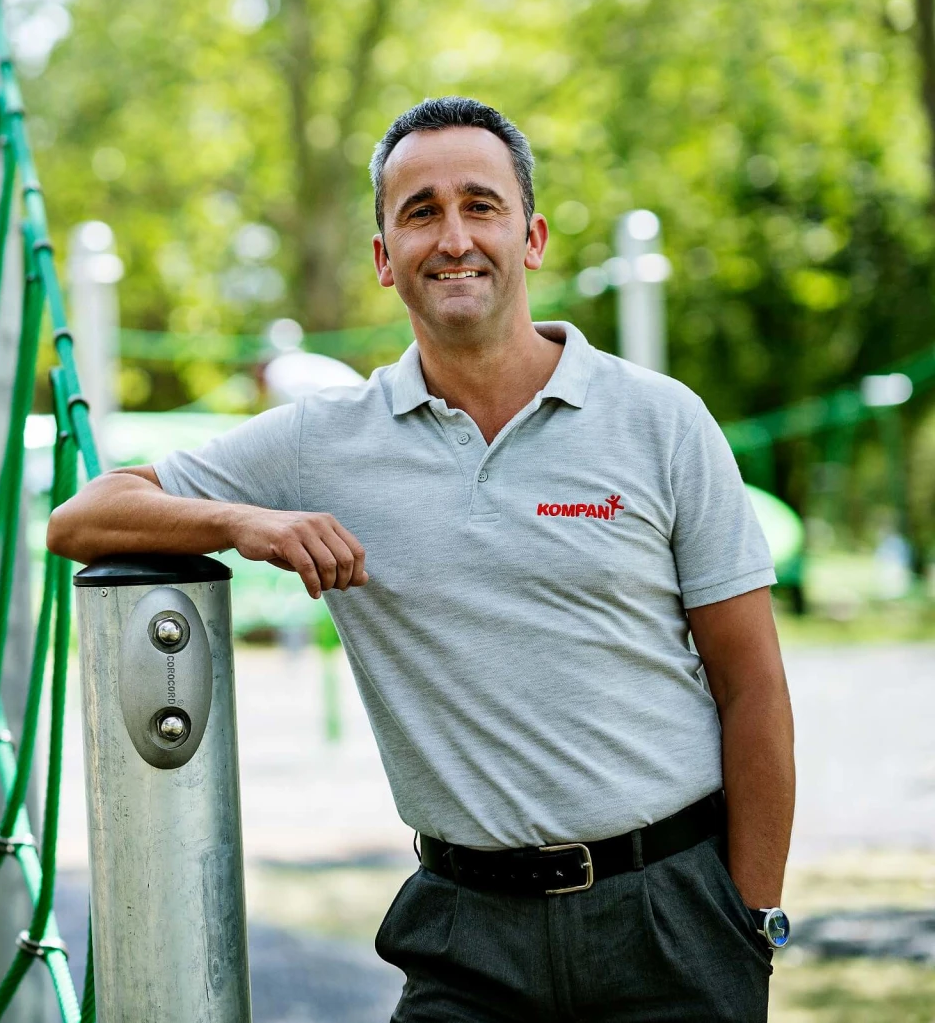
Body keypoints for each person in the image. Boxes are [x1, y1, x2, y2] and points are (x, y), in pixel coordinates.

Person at [47, 96, 795, 1021]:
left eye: (481, 205)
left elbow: (752, 683)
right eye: (420, 212)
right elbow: (83, 516)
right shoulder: (325, 441)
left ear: (532, 236)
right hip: (465, 934)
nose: (454, 237)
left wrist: (750, 920)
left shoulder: (661, 420)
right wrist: (248, 523)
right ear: (381, 257)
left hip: (669, 918)